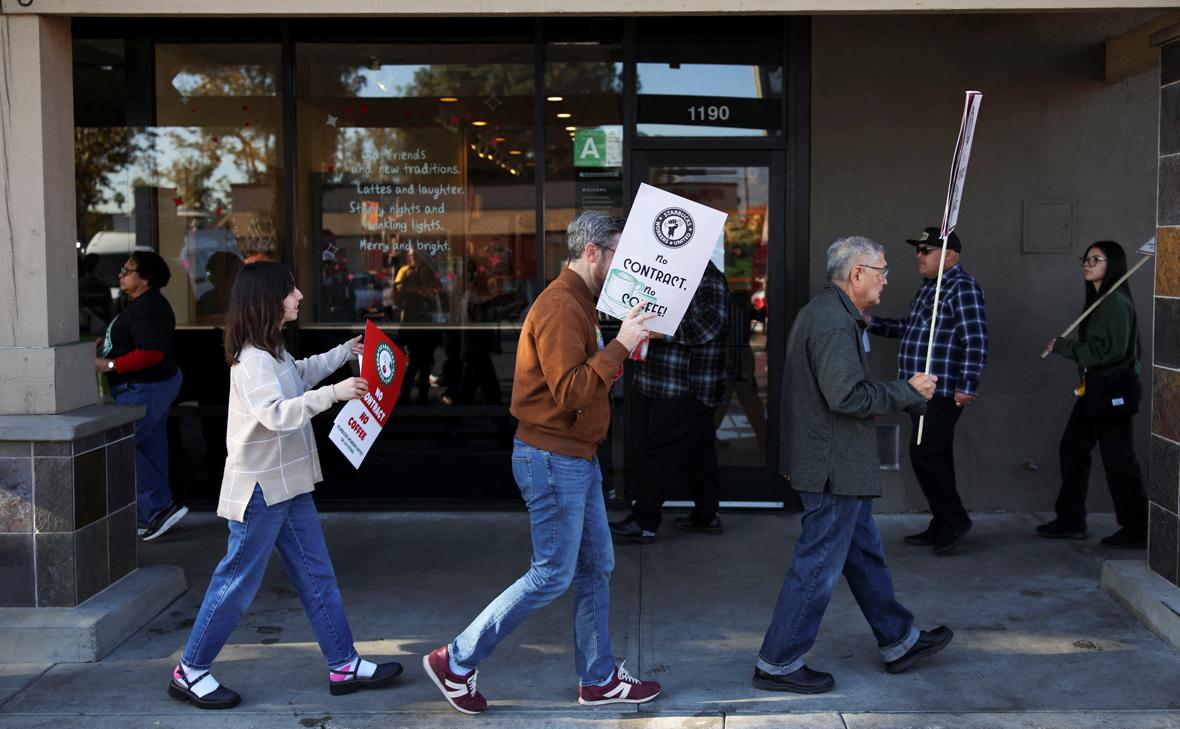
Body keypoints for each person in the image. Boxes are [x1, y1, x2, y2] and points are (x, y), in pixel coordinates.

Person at [423, 211, 662, 714]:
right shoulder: (561, 306)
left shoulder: (580, 303)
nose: (625, 263)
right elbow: (570, 391)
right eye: (618, 252)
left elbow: (583, 381)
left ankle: (598, 679)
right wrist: (619, 345)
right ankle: (457, 659)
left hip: (572, 455)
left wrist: (622, 344)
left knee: (597, 564)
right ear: (592, 252)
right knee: (552, 572)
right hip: (553, 458)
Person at [167, 261, 402, 710]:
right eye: (290, 291)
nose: (297, 297)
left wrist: (342, 354)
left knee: (317, 577)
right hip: (260, 491)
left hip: (287, 484)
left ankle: (343, 664)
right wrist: (336, 394)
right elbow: (277, 414)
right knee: (235, 584)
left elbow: (300, 375)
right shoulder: (252, 361)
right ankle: (189, 670)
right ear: (268, 300)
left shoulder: (272, 351)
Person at [755, 236, 951, 695]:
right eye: (881, 270)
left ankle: (900, 640)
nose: (887, 278)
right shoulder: (831, 322)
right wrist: (908, 391)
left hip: (836, 465)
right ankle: (778, 663)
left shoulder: (833, 315)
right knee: (818, 566)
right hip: (832, 468)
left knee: (862, 556)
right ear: (856, 274)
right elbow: (846, 395)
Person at [865, 227, 988, 554]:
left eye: (926, 250)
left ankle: (955, 519)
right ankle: (943, 521)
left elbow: (975, 339)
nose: (919, 256)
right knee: (936, 455)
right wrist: (871, 322)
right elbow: (911, 328)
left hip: (943, 390)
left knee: (925, 454)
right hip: (920, 391)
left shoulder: (962, 288)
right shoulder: (930, 289)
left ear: (948, 255)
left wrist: (967, 385)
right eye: (918, 250)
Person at [610, 261, 729, 542]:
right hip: (669, 380)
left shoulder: (707, 276)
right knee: (699, 450)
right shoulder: (675, 273)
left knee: (663, 452)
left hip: (687, 383)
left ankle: (644, 522)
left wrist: (663, 332)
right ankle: (706, 515)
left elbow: (711, 324)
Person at [1040, 241, 1148, 548]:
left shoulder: (1115, 303)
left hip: (1111, 392)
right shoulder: (1102, 300)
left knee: (1119, 460)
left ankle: (1138, 528)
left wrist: (1065, 348)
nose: (1087, 264)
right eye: (1085, 259)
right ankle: (1071, 520)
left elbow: (1109, 352)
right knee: (1073, 450)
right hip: (1095, 391)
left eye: (1095, 259)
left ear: (1111, 264)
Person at [95, 251, 187, 541]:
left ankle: (158, 508)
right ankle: (155, 513)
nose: (121, 274)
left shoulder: (150, 307)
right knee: (148, 446)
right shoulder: (138, 304)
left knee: (120, 444)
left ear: (145, 279)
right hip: (145, 386)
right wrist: (107, 345)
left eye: (128, 270)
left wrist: (109, 364)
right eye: (122, 269)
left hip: (148, 385)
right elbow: (132, 339)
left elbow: (150, 353)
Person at [79, 252, 112, 335]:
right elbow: (110, 309)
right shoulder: (103, 286)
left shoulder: (78, 286)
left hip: (82, 329)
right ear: (97, 266)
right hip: (101, 329)